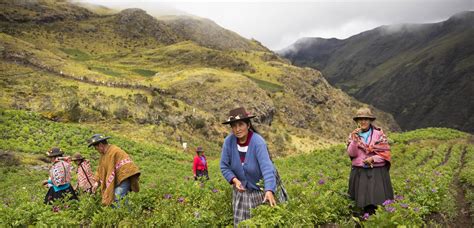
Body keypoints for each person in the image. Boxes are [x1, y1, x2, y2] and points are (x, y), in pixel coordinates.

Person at [220, 107, 277, 226]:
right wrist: (235, 180)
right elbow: (224, 166)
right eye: (234, 126)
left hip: (260, 190)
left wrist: (269, 190)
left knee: (261, 223)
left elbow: (267, 168)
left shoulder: (258, 142)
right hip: (240, 191)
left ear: (248, 125)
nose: (237, 129)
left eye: (241, 124)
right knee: (242, 224)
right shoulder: (228, 142)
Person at [347, 107, 393, 216]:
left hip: (376, 171)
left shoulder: (379, 135)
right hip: (360, 171)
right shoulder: (353, 135)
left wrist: (373, 159)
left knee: (376, 200)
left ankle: (375, 220)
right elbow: (352, 154)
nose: (363, 122)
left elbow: (385, 152)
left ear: (370, 120)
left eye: (366, 119)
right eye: (360, 119)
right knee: (361, 201)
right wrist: (354, 140)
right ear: (357, 121)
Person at [87, 134, 140, 206]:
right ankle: (126, 215)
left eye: (96, 148)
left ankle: (124, 216)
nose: (96, 150)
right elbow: (100, 170)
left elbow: (127, 166)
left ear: (100, 145)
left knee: (117, 197)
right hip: (116, 181)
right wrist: (97, 183)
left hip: (124, 178)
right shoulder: (103, 156)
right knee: (116, 200)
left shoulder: (115, 151)